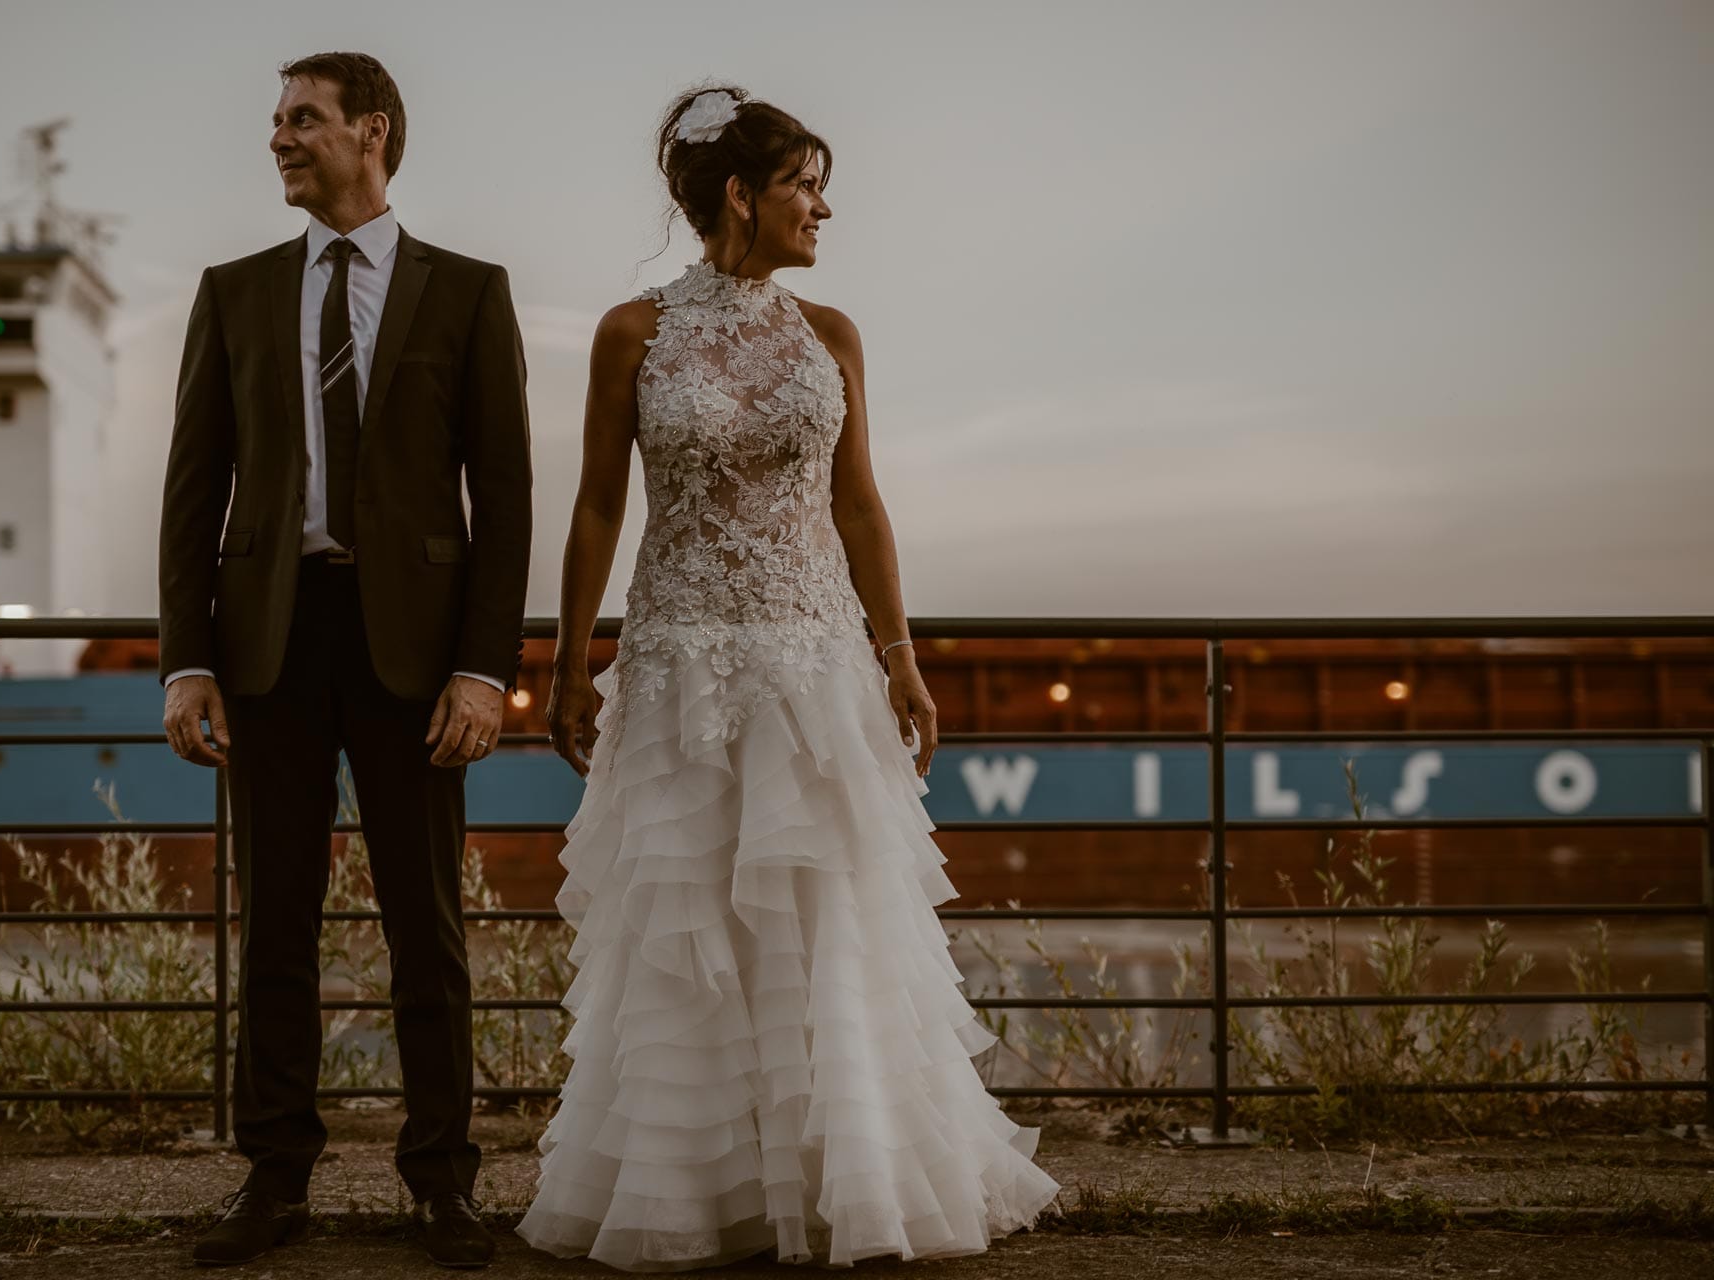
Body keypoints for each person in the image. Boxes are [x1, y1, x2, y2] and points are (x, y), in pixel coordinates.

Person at [515, 85, 1060, 1270]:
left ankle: (845, 1182)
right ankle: (695, 1197)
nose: (823, 207)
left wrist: (898, 654)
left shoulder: (832, 333)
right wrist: (568, 661)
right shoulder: (630, 332)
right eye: (805, 184)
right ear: (737, 196)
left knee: (829, 923)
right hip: (679, 668)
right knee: (688, 930)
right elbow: (599, 502)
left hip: (814, 665)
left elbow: (858, 503)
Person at [157, 50, 531, 1269]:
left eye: (301, 119)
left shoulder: (469, 292)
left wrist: (485, 668)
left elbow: (507, 496)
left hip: (415, 652)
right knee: (272, 922)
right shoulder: (234, 291)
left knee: (426, 923)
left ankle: (440, 1178)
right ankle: (273, 1176)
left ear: (371, 131)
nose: (277, 138)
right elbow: (191, 490)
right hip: (267, 640)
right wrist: (185, 660)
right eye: (274, 120)